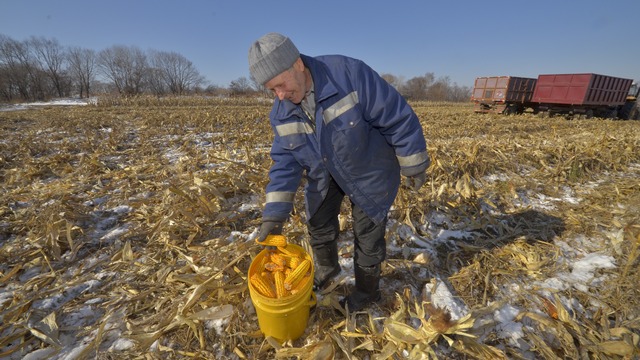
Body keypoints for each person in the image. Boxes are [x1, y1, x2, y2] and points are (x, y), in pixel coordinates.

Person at [249, 33, 429, 312]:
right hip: (323, 171)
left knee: (367, 235)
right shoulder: (281, 111)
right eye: (272, 90)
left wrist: (414, 162)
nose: (280, 95)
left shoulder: (349, 75)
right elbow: (284, 162)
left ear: (297, 64)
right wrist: (274, 214)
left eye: (281, 85)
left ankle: (367, 291)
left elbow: (397, 115)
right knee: (318, 223)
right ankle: (328, 269)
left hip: (369, 167)